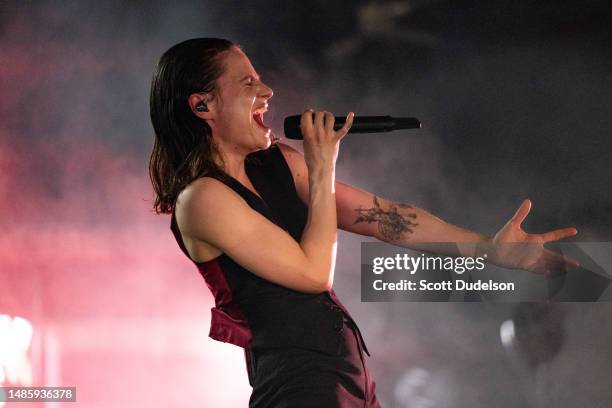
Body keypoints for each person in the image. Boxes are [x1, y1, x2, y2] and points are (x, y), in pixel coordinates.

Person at [148, 38, 578, 407]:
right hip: (298, 385)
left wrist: (490, 250)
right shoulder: (202, 198)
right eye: (248, 83)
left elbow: (386, 217)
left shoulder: (279, 163)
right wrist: (322, 170)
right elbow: (313, 273)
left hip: (345, 376)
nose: (267, 90)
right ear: (202, 104)